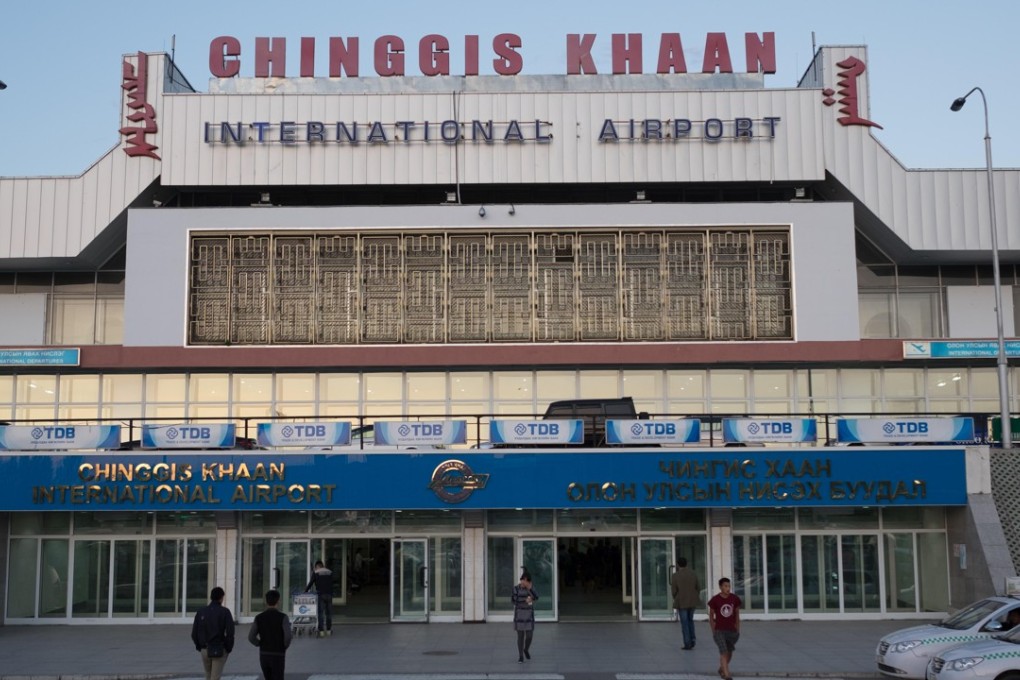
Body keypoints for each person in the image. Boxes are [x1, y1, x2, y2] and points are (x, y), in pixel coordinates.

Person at [191, 586, 235, 680]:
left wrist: (199, 646)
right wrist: (228, 648)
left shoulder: (201, 611)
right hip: (219, 648)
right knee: (215, 677)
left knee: (208, 675)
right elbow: (230, 632)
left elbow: (194, 633)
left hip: (204, 648)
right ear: (221, 597)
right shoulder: (225, 612)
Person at [248, 589, 293, 680]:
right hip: (278, 654)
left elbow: (251, 637)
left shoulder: (259, 617)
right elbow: (288, 636)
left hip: (264, 654)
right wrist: (284, 646)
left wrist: (259, 643)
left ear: (266, 601)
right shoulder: (283, 617)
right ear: (278, 601)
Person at [707, 577, 742, 680]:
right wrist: (713, 629)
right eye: (725, 586)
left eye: (729, 586)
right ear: (720, 587)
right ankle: (727, 675)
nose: (728, 588)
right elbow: (711, 615)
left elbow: (737, 615)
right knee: (723, 652)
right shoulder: (715, 600)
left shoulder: (734, 599)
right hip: (719, 631)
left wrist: (738, 629)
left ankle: (722, 668)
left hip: (731, 630)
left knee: (729, 652)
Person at [670, 556, 700, 650]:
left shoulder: (675, 576)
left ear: (678, 565)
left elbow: (674, 590)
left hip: (681, 601)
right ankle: (693, 639)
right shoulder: (693, 574)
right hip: (692, 601)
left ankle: (687, 643)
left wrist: (676, 597)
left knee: (684, 622)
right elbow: (698, 587)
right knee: (690, 620)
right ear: (686, 564)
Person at [511, 570, 538, 663]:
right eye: (523, 580)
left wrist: (530, 591)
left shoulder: (530, 588)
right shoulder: (516, 588)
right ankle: (521, 656)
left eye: (526, 580)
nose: (524, 582)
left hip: (529, 615)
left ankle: (526, 649)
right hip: (519, 615)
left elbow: (537, 597)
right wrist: (525, 601)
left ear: (529, 581)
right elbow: (514, 600)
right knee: (520, 636)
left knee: (529, 635)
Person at [304, 560, 334, 637]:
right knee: (329, 613)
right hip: (329, 594)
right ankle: (329, 630)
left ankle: (321, 631)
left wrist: (305, 591)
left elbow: (311, 583)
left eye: (315, 567)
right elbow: (331, 582)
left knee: (320, 613)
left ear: (317, 566)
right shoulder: (329, 572)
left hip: (321, 594)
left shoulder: (316, 572)